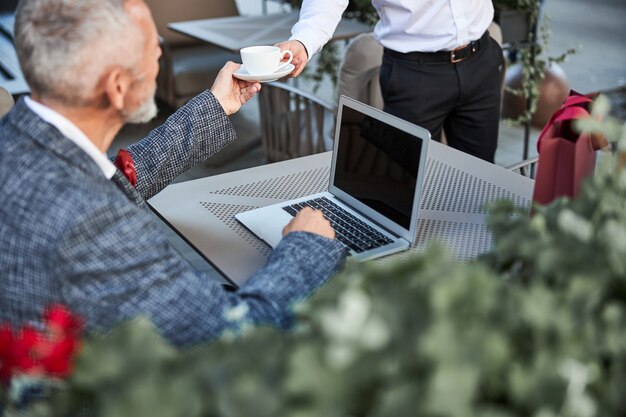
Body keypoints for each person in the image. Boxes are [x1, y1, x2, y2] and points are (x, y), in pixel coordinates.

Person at [0, 0, 345, 346]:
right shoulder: (95, 223)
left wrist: (215, 105)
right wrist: (305, 247)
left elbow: (112, 176)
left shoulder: (16, 140)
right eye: (154, 49)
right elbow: (231, 333)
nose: (159, 59)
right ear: (117, 87)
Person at [277, 0, 504, 162]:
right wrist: (304, 41)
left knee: (480, 177)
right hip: (415, 74)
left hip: (481, 59)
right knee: (407, 185)